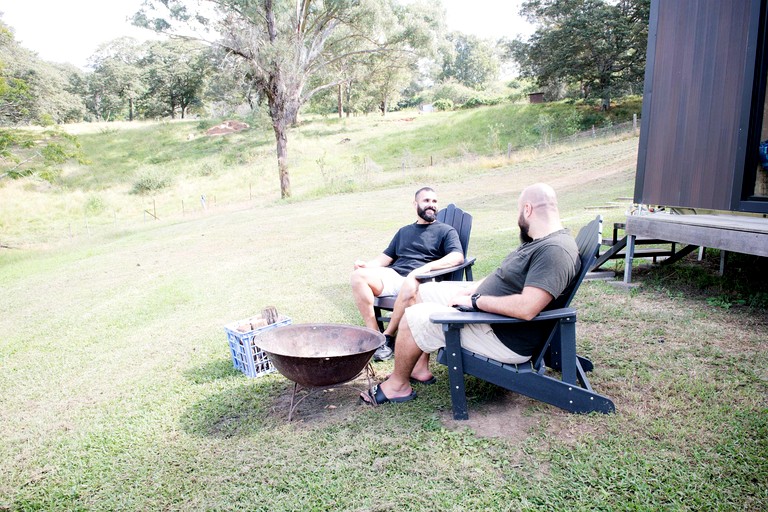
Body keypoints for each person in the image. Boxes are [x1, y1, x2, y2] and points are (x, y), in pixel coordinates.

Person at [361, 183, 580, 404]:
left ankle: (397, 387)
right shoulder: (542, 242)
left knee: (413, 317)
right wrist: (472, 289)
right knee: (425, 291)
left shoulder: (555, 251)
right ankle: (418, 367)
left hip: (501, 335)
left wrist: (476, 301)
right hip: (495, 319)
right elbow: (503, 274)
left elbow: (527, 307)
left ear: (527, 209)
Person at [351, 187, 465, 361]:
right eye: (426, 201)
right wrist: (367, 265)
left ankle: (387, 337)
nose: (431, 205)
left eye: (434, 201)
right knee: (358, 277)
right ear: (415, 204)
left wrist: (425, 268)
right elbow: (385, 258)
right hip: (395, 275)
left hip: (421, 280)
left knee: (411, 282)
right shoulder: (404, 231)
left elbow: (457, 256)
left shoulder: (446, 231)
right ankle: (375, 335)